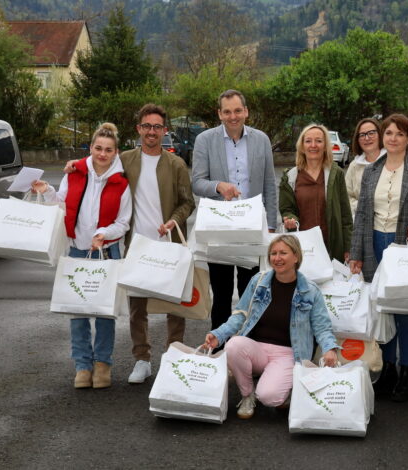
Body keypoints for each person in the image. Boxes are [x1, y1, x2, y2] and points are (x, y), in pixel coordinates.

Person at [349, 114, 408, 402]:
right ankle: (387, 368)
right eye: (389, 133)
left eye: (400, 134)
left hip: (404, 246)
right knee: (383, 309)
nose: (393, 138)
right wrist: (356, 253)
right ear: (382, 137)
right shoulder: (372, 170)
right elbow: (362, 215)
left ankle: (405, 371)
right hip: (375, 243)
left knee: (405, 311)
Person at [32, 123, 132, 389]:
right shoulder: (74, 173)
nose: (102, 154)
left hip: (106, 252)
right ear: (91, 148)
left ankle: (102, 364)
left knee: (104, 312)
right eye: (98, 148)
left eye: (108, 150)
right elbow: (62, 205)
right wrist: (47, 190)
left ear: (116, 152)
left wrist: (104, 233)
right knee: (77, 311)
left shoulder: (121, 183)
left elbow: (123, 223)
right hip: (77, 249)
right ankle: (82, 366)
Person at [203, 235, 339, 419]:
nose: (277, 258)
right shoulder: (258, 281)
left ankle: (284, 386)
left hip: (288, 354)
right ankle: (247, 394)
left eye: (283, 253)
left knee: (269, 397)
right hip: (256, 349)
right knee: (233, 345)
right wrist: (218, 334)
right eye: (273, 253)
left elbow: (322, 327)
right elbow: (240, 315)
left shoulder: (310, 290)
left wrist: (330, 349)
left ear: (296, 256)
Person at [192, 89, 279, 335]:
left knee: (251, 292)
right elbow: (197, 183)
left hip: (252, 228)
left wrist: (271, 226)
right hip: (219, 228)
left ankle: (249, 345)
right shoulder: (205, 140)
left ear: (246, 111)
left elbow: (269, 184)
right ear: (219, 114)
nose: (233, 116)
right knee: (220, 295)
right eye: (227, 112)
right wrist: (218, 186)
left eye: (238, 111)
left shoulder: (261, 140)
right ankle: (219, 347)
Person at [120, 104, 195, 384]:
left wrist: (174, 221)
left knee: (174, 306)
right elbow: (97, 168)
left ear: (165, 131)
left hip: (169, 244)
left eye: (157, 127)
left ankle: (173, 356)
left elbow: (188, 202)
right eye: (147, 126)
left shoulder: (176, 164)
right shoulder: (125, 160)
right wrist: (74, 167)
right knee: (137, 308)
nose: (151, 132)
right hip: (137, 246)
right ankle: (142, 359)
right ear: (138, 129)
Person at [279, 123, 352, 263]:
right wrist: (290, 219)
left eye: (318, 141)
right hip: (303, 249)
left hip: (332, 248)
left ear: (325, 146)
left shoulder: (336, 174)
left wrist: (348, 247)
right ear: (302, 146)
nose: (313, 145)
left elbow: (346, 216)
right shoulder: (290, 177)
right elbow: (287, 209)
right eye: (308, 141)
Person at [345, 118, 385, 214]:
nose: (367, 138)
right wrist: (361, 206)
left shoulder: (391, 160)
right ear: (357, 140)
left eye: (371, 133)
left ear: (380, 135)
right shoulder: (354, 166)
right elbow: (346, 196)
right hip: (361, 219)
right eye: (362, 135)